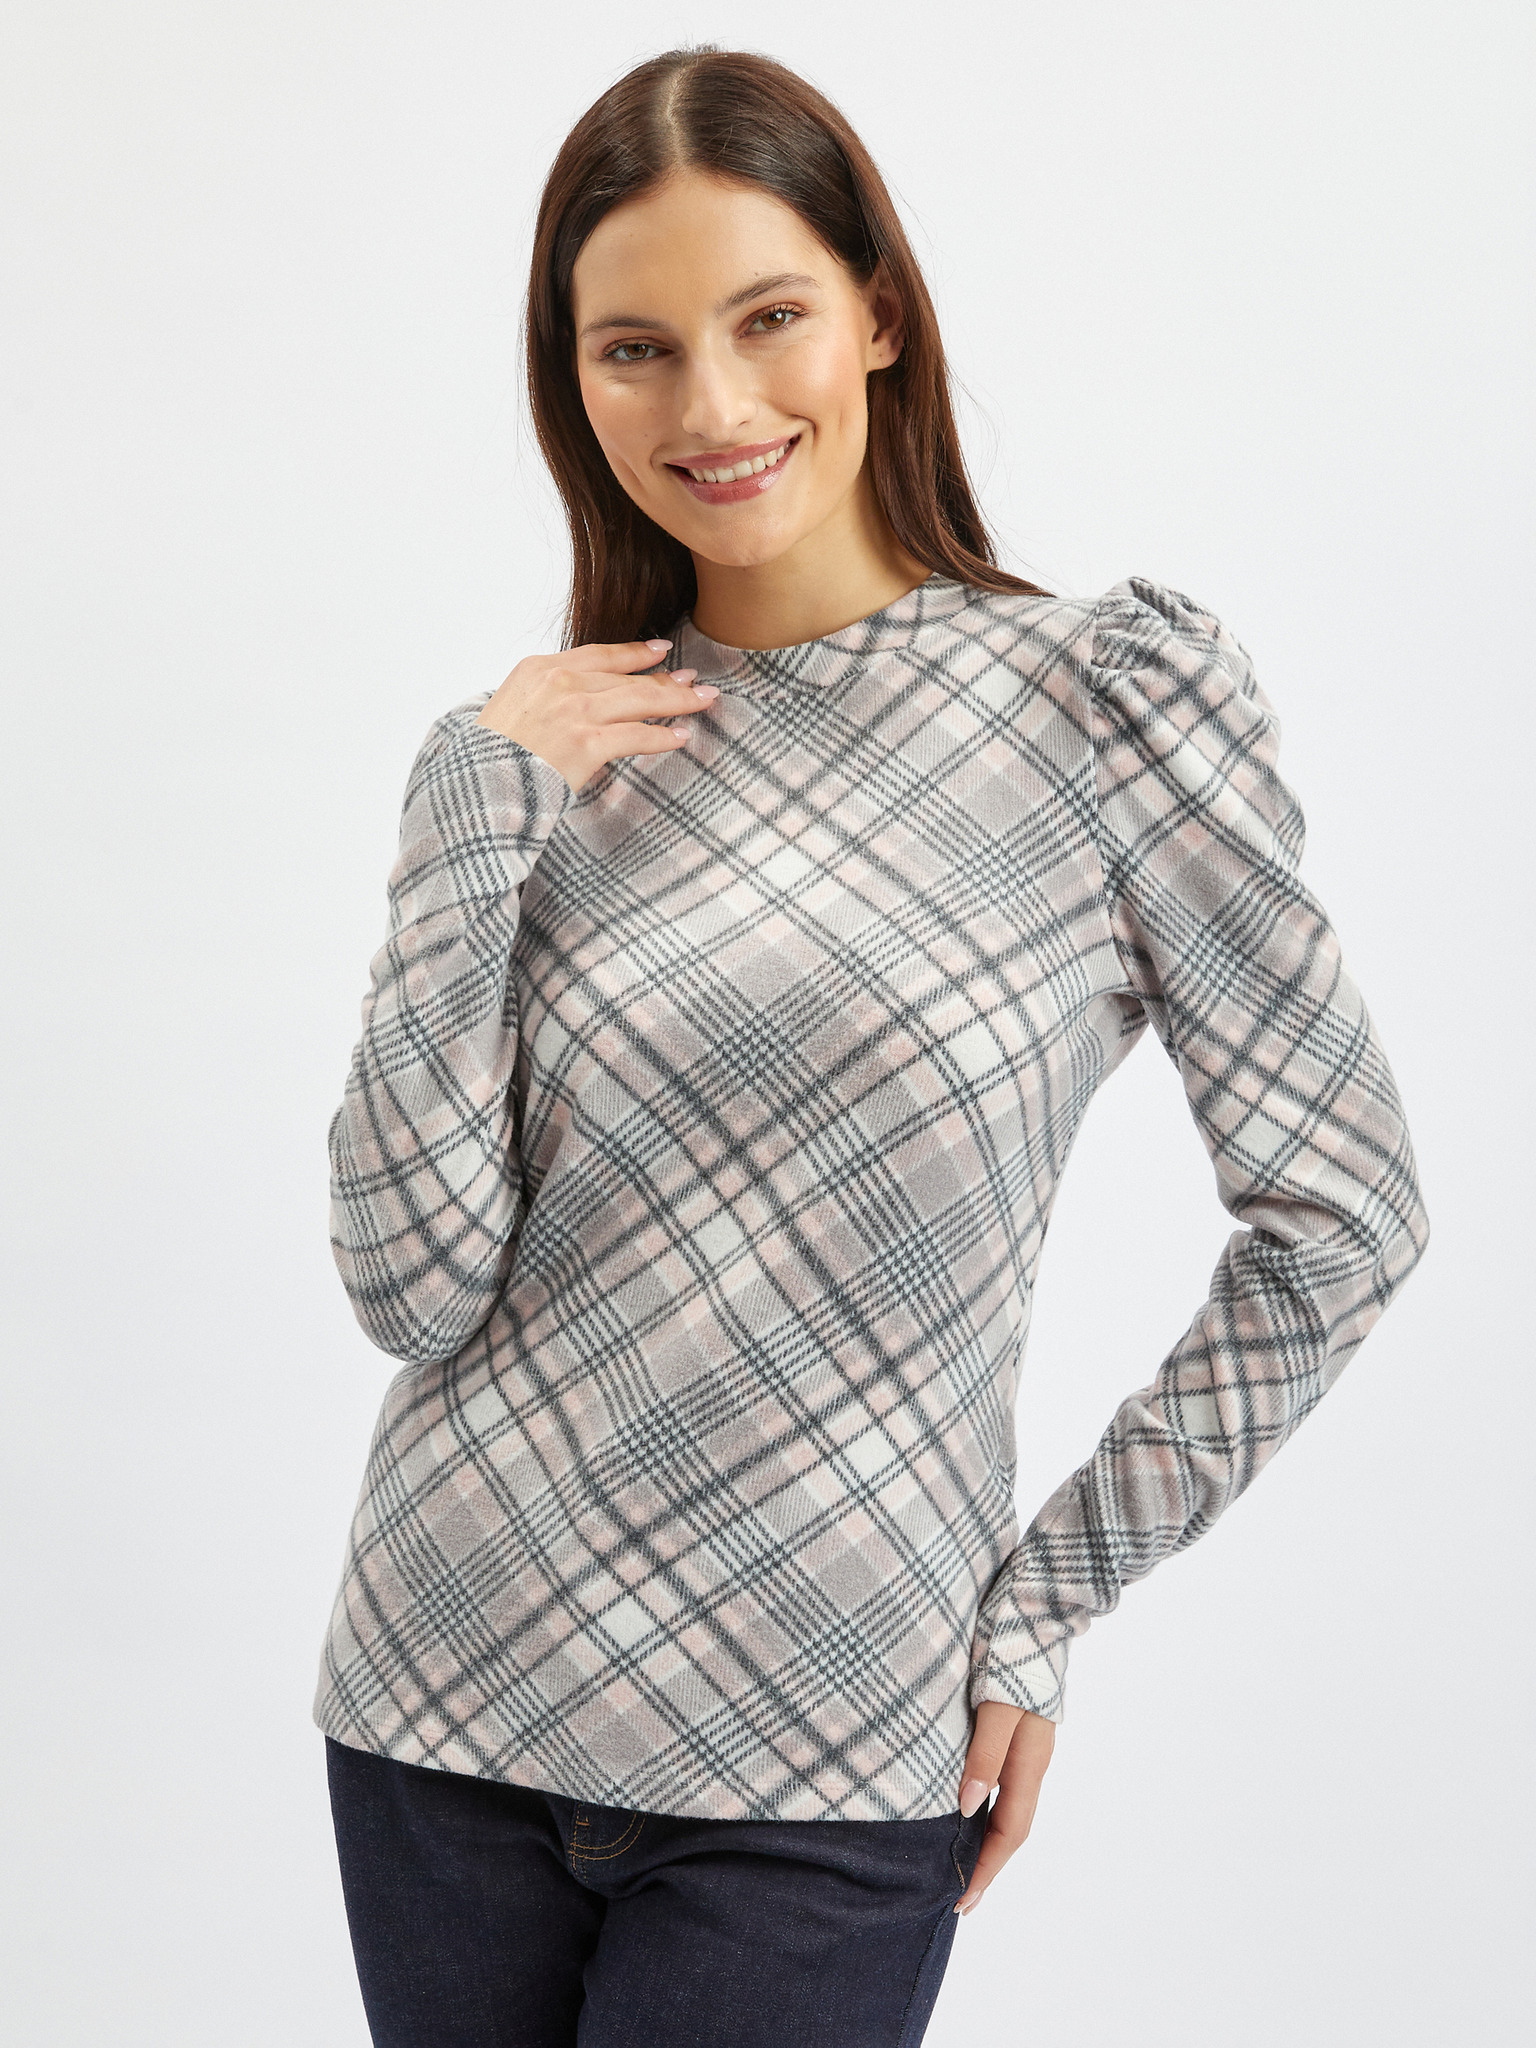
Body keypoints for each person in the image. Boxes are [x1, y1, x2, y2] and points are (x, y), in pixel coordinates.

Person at [312, 43, 1430, 2048]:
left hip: (831, 1751)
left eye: (770, 319)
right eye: (636, 349)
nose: (713, 408)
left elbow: (1344, 1216)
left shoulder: (1102, 703)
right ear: (574, 385)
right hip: (439, 1702)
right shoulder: (536, 759)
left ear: (880, 315)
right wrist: (465, 815)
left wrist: (1047, 1592)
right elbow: (414, 1289)